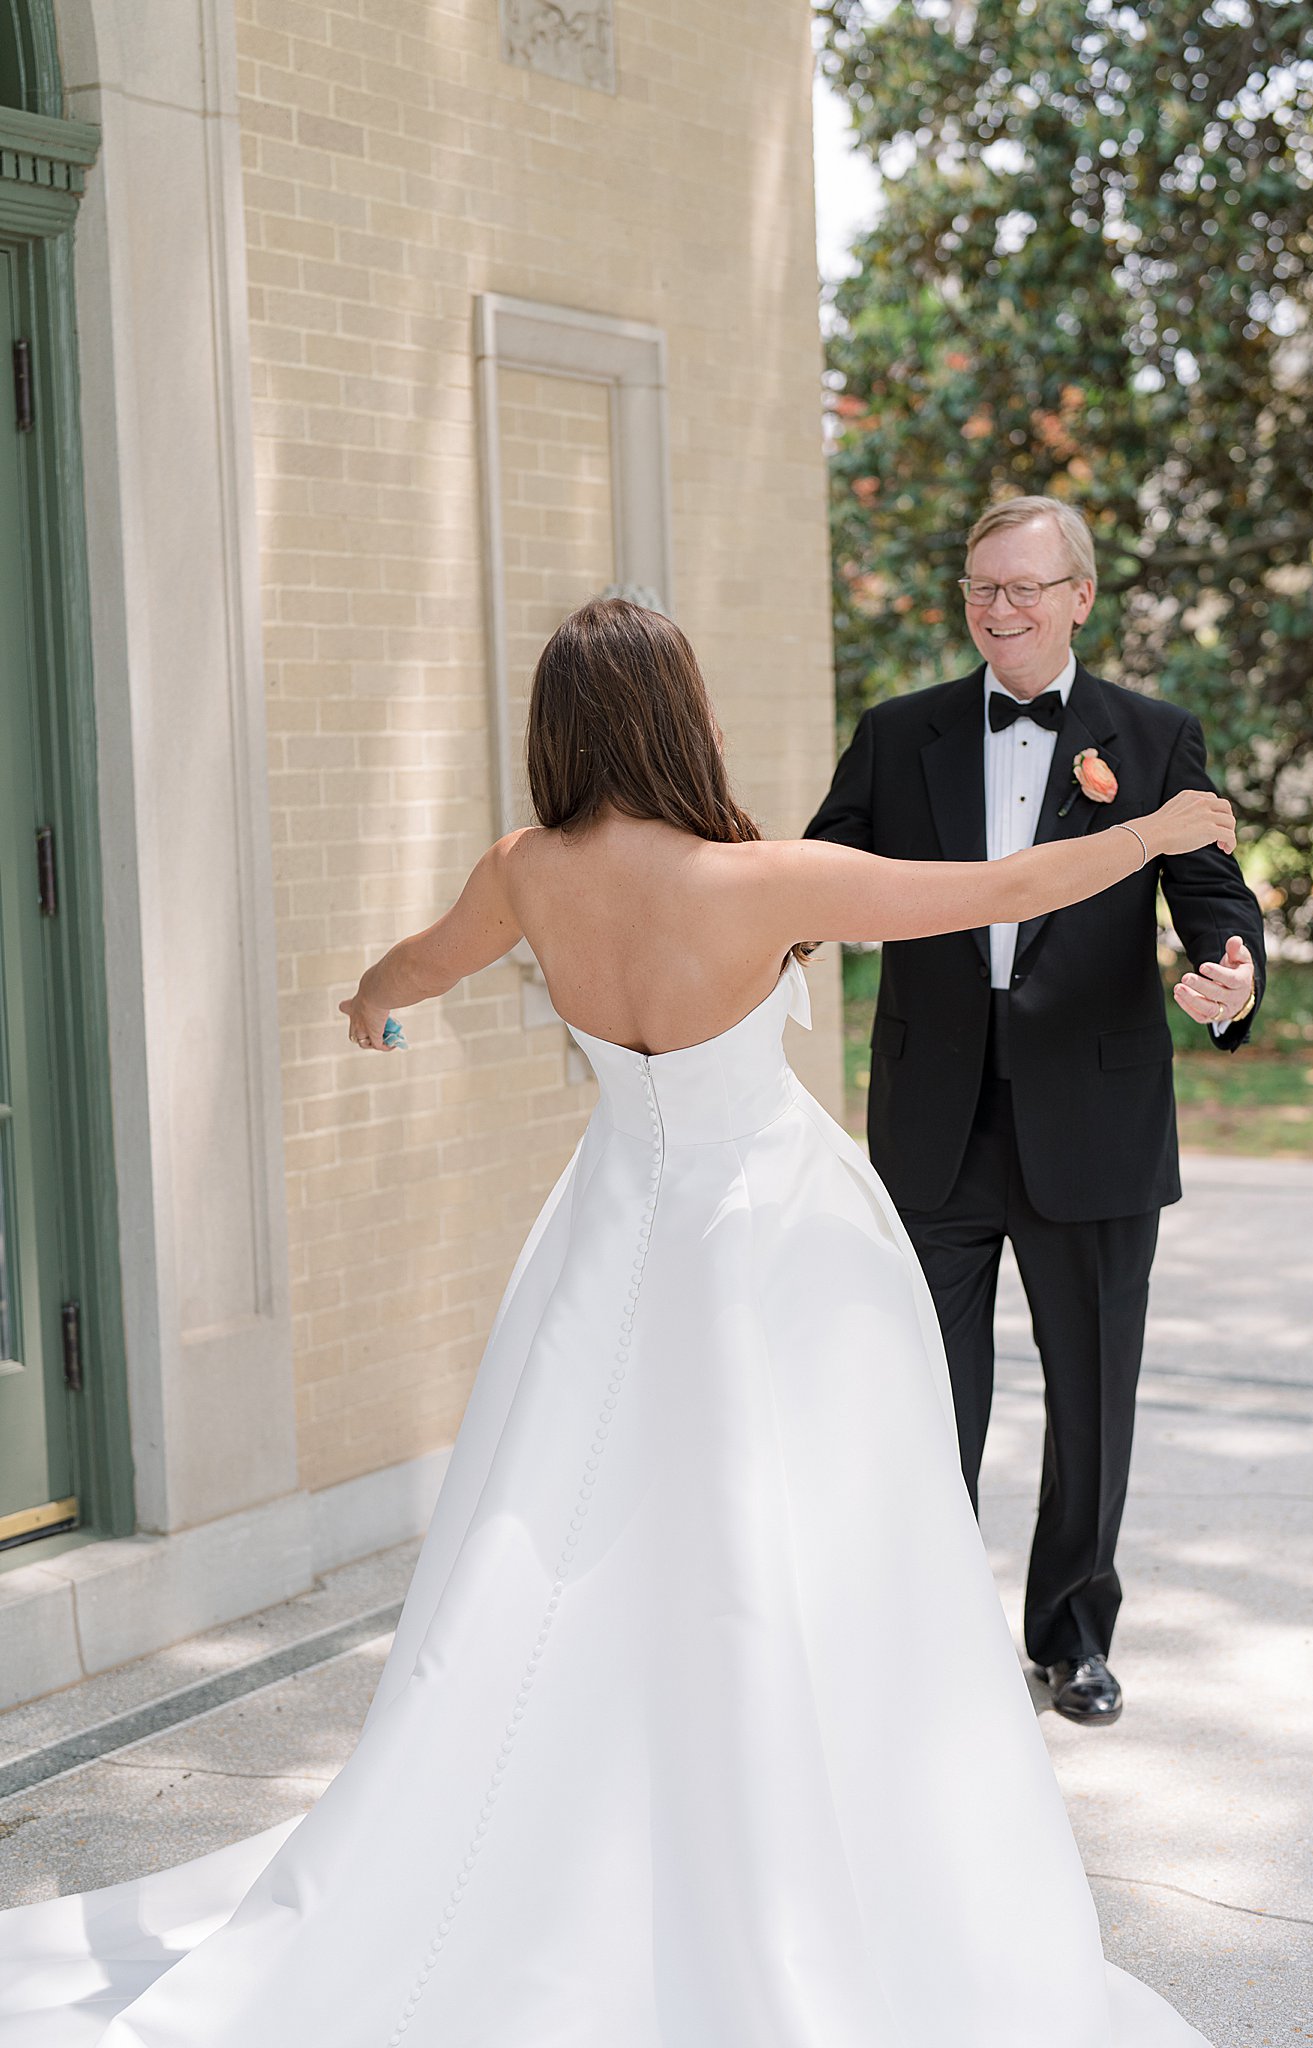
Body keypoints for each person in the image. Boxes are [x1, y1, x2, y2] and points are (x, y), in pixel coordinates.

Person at [0, 599, 1235, 2047]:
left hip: (606, 1239)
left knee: (564, 1539)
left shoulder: (524, 872)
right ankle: (791, 1828)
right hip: (774, 1247)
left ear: (558, 730)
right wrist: (1150, 839)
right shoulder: (755, 879)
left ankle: (549, 1827)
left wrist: (372, 1011)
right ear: (676, 715)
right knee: (801, 1545)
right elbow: (997, 889)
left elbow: (407, 968)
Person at [805, 497, 1266, 1727]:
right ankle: (925, 1629)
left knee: (1093, 1394)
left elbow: (1213, 892)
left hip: (1096, 1119)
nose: (998, 609)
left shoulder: (1154, 737)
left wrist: (1232, 973)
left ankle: (1073, 1636)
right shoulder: (899, 734)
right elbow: (816, 874)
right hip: (933, 1118)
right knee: (924, 1390)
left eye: (1023, 588)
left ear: (1079, 596)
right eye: (980, 588)